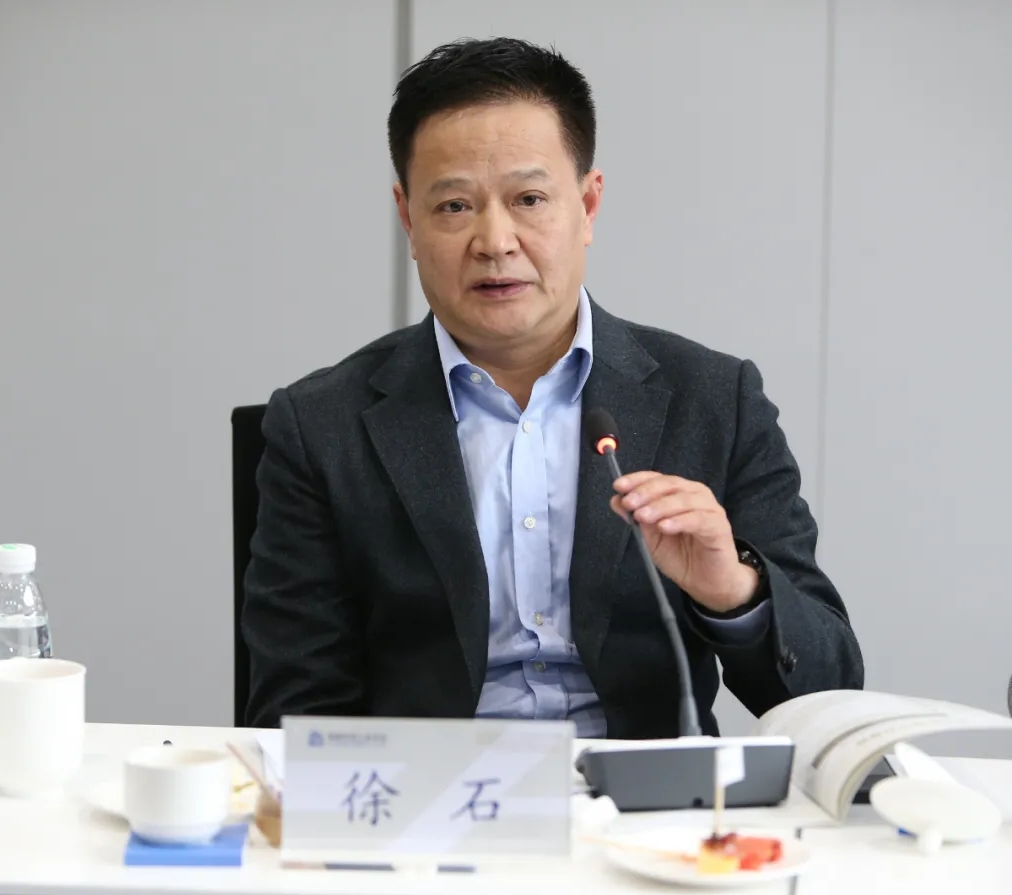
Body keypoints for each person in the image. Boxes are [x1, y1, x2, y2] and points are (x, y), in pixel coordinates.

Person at [241, 37, 863, 738]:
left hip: (644, 796)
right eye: (454, 207)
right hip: (429, 790)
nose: (494, 241)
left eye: (529, 199)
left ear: (588, 205)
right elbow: (297, 712)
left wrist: (734, 590)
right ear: (408, 219)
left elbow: (832, 684)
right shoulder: (322, 425)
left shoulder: (715, 398)